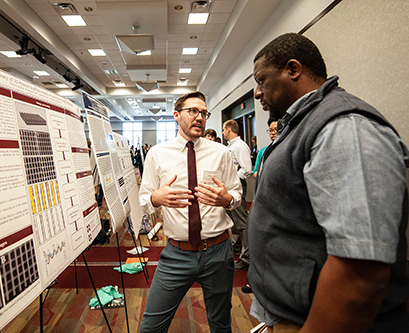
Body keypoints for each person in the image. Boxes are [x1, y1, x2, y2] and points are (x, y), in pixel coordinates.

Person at [248, 32, 409, 332]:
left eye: (261, 80)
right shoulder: (303, 123)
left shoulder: (344, 127)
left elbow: (360, 269)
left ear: (293, 70)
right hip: (288, 311)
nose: (257, 93)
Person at [139, 91, 242, 333]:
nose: (200, 117)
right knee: (151, 327)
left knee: (221, 325)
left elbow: (236, 195)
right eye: (193, 111)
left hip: (218, 252)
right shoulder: (157, 154)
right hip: (176, 254)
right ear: (176, 115)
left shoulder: (221, 153)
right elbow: (143, 200)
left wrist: (227, 200)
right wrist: (156, 198)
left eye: (204, 113)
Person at [222, 120, 252, 270]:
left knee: (241, 222)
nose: (222, 133)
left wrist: (232, 176)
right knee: (233, 220)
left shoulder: (240, 146)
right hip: (230, 185)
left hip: (238, 184)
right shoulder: (231, 146)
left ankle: (247, 257)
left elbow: (247, 169)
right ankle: (238, 247)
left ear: (228, 130)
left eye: (223, 130)